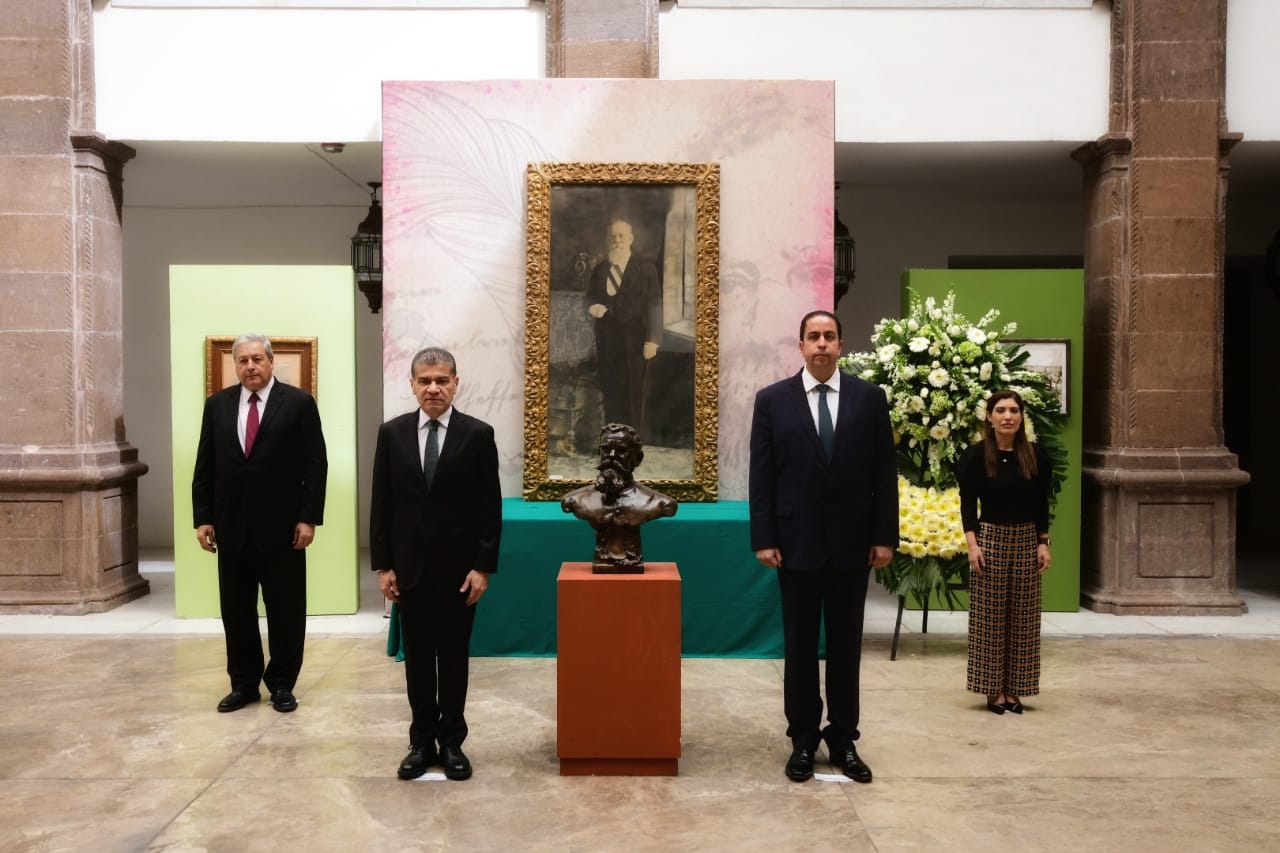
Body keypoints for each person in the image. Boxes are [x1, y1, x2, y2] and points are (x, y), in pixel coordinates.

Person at [749, 310, 898, 784]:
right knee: (798, 648)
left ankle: (843, 738)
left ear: (841, 344)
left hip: (854, 548)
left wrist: (884, 536)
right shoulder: (772, 401)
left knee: (846, 648)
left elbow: (883, 475)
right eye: (813, 337)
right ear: (800, 346)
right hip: (794, 546)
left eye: (829, 337)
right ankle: (803, 740)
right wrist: (765, 537)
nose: (821, 345)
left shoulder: (869, 399)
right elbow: (762, 477)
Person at [370, 346, 501, 781]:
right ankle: (421, 741)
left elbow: (489, 507)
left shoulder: (478, 435)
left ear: (455, 383)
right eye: (424, 381)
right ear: (411, 384)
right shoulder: (391, 435)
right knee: (419, 659)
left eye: (442, 380)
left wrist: (483, 567)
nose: (433, 388)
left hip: (459, 572)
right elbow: (381, 505)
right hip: (409, 571)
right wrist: (384, 565)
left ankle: (453, 743)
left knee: (455, 657)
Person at [192, 333, 328, 714]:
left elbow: (315, 465)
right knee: (236, 611)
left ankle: (282, 684)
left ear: (271, 362)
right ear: (235, 365)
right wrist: (202, 517)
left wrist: (307, 518)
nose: (250, 366)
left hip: (283, 529)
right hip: (230, 528)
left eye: (257, 359)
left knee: (286, 610)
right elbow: (206, 463)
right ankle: (244, 684)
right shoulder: (217, 405)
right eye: (243, 360)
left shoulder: (299, 403)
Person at [958, 389, 1052, 715]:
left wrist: (1044, 542)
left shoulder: (1036, 456)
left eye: (1013, 410)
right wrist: (973, 545)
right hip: (990, 539)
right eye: (1000, 410)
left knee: (1024, 618)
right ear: (989, 416)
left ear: (1022, 416)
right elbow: (968, 505)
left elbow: (1041, 503)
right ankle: (992, 690)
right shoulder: (974, 456)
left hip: (1027, 539)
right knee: (989, 618)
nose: (1007, 416)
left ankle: (1016, 689)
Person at [561, 422, 677, 573]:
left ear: (638, 459)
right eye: (605, 449)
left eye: (621, 451)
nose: (611, 457)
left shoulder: (659, 502)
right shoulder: (575, 500)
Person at [585, 216, 663, 430]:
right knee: (610, 388)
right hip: (607, 341)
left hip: (635, 342)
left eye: (621, 236)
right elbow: (590, 297)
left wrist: (653, 340)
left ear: (630, 239)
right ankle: (613, 436)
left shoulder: (646, 269)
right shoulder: (600, 269)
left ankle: (632, 438)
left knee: (633, 391)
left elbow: (654, 305)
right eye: (613, 236)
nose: (616, 240)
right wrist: (593, 307)